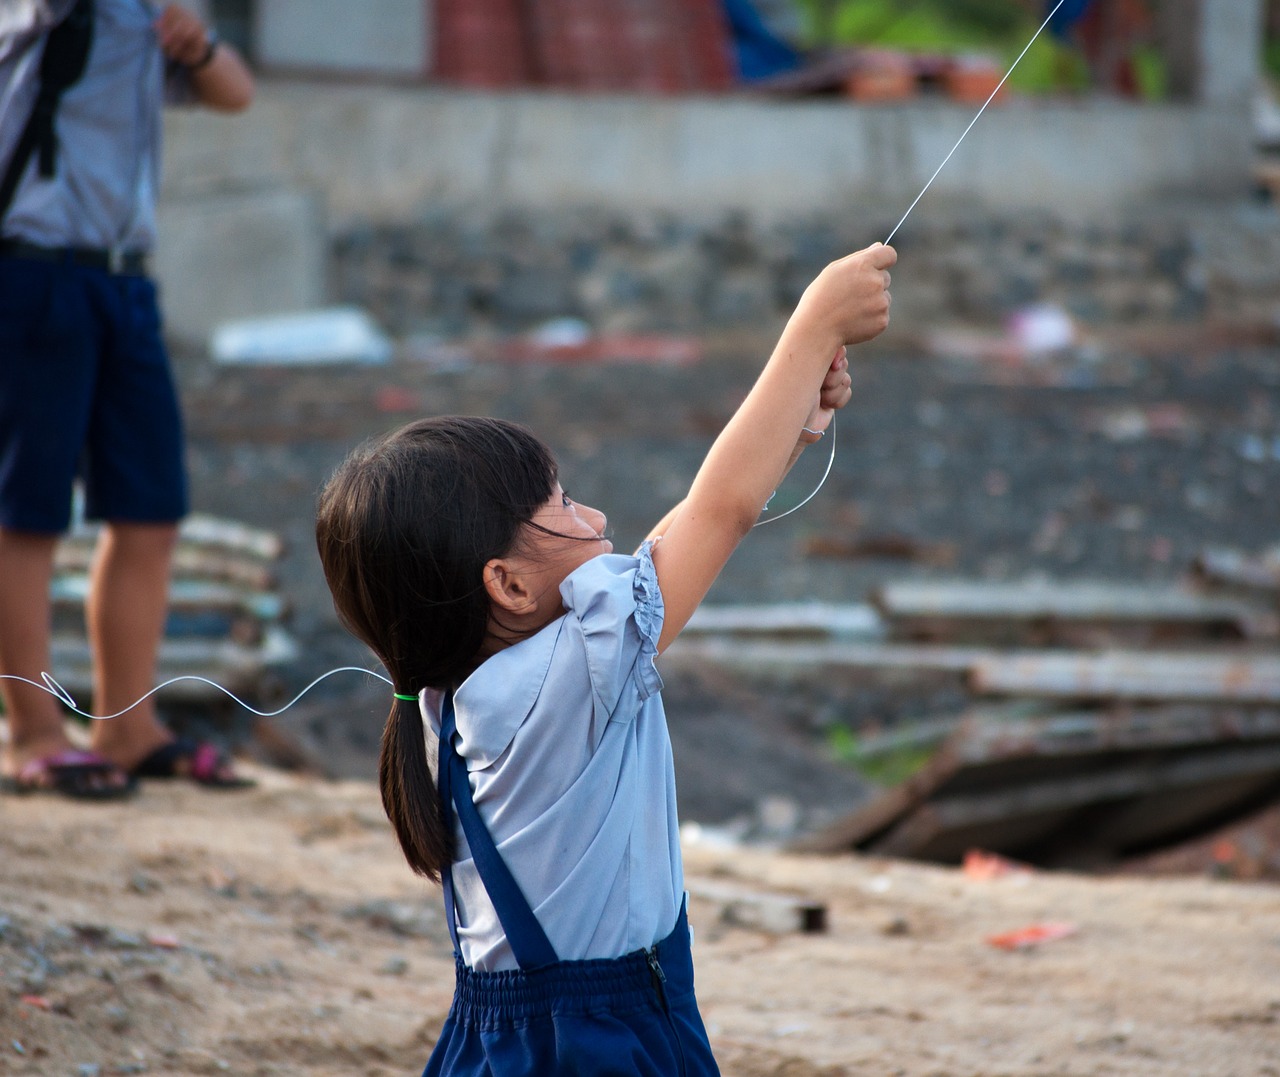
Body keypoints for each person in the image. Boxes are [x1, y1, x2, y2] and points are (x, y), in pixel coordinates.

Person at [315, 240, 896, 1073]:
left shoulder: (450, 691)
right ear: (508, 585)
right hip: (604, 1037)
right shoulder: (579, 671)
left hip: (493, 1038)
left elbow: (674, 539)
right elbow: (716, 512)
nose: (591, 512)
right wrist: (811, 327)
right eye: (559, 502)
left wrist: (797, 420)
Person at [0, 2, 255, 799]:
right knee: (26, 512)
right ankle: (34, 730)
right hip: (31, 268)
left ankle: (127, 724)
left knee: (150, 508)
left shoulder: (151, 15)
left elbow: (235, 91)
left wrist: (197, 40)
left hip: (125, 278)